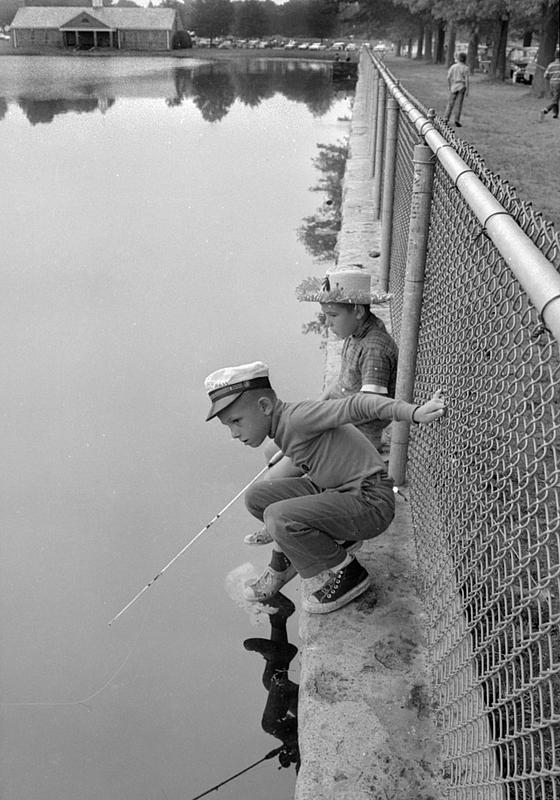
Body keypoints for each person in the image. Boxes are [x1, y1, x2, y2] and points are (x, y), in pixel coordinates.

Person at [204, 361, 446, 614]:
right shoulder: (281, 426)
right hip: (339, 492)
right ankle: (308, 548)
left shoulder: (298, 418)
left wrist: (414, 412)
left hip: (370, 502)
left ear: (264, 406)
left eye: (236, 421)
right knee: (257, 497)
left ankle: (349, 573)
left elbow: (360, 404)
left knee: (279, 517)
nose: (233, 433)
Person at [243, 266, 398, 547]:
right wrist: (315, 409)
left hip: (354, 436)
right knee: (271, 449)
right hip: (337, 422)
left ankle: (290, 521)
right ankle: (288, 516)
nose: (328, 324)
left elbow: (368, 409)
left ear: (359, 311)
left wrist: (313, 433)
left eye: (333, 316)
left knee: (270, 481)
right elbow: (340, 385)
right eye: (325, 316)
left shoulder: (374, 348)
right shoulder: (356, 335)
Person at [443, 51, 470, 128]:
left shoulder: (453, 67)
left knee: (450, 103)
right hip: (462, 86)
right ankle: (457, 120)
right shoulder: (466, 68)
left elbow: (448, 77)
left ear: (458, 58)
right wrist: (467, 90)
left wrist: (449, 85)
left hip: (454, 86)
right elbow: (467, 80)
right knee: (459, 104)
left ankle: (445, 118)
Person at [543, 51, 560, 119]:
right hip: (558, 84)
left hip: (552, 83)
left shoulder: (550, 65)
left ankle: (555, 114)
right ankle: (547, 109)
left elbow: (546, 76)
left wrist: (551, 75)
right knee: (555, 99)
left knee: (555, 98)